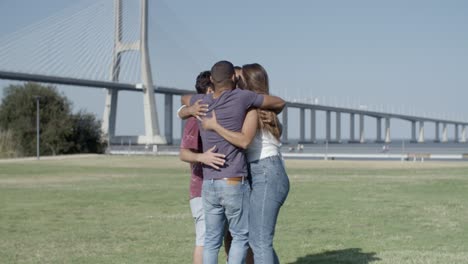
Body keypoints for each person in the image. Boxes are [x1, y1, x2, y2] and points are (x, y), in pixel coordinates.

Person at [180, 60, 285, 264]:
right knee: (243, 237)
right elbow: (279, 102)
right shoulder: (243, 99)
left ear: (212, 79)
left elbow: (183, 98)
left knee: (212, 239)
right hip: (235, 179)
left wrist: (188, 110)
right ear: (233, 79)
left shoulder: (205, 101)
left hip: (211, 183)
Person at [179, 71, 226, 264]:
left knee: (220, 239)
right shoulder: (194, 117)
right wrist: (203, 157)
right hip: (201, 189)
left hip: (219, 186)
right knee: (204, 240)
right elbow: (183, 153)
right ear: (208, 90)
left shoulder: (214, 113)